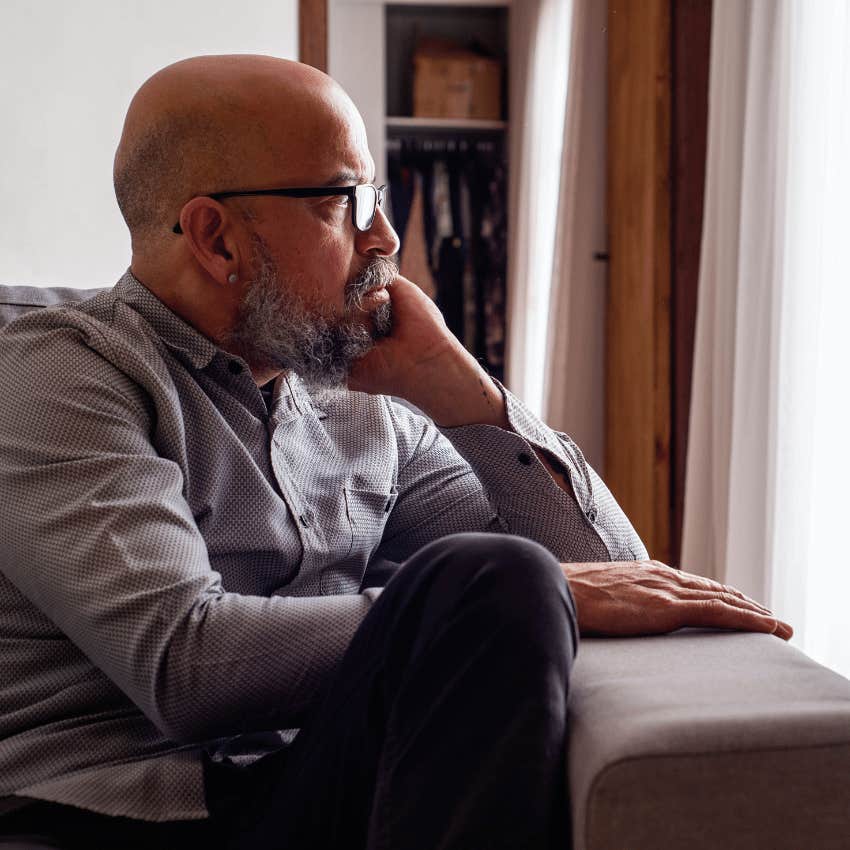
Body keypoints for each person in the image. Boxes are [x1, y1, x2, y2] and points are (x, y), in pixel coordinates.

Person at [0, 55, 791, 849]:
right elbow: (184, 666)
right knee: (492, 578)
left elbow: (614, 571)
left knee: (504, 582)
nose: (386, 235)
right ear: (215, 237)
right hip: (115, 814)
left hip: (298, 788)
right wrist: (461, 608)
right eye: (349, 201)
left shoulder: (364, 403)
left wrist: (462, 390)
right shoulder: (62, 376)